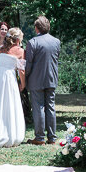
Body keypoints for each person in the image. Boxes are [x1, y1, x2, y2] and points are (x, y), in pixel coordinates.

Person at [25, 16, 61, 145]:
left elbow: (28, 63)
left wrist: (24, 76)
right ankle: (52, 137)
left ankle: (39, 138)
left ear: (36, 28)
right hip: (51, 78)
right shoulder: (56, 41)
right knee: (51, 107)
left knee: (38, 108)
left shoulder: (32, 42)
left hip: (36, 80)